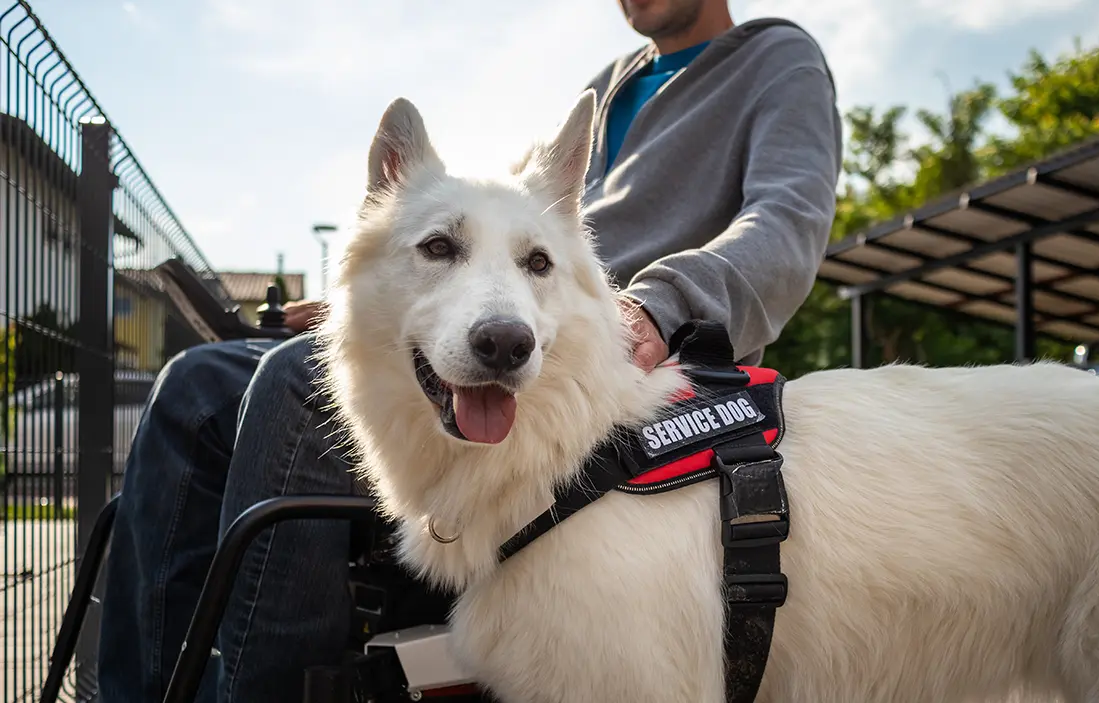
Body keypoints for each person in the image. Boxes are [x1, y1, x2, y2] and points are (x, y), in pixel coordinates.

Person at [97, 0, 842, 700]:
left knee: (298, 384)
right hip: (514, 312)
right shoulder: (606, 91)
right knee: (195, 385)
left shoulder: (778, 60)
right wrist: (378, 300)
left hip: (630, 353)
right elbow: (486, 246)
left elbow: (787, 223)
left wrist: (658, 303)